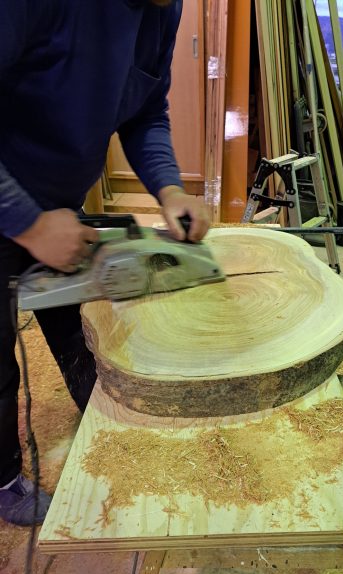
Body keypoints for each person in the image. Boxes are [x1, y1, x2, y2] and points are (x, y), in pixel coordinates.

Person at [0, 0, 210, 526]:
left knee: (86, 326)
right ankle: (1, 481)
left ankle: (111, 431)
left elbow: (146, 113)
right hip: (10, 197)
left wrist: (168, 188)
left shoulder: (162, 10)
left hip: (55, 206)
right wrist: (29, 224)